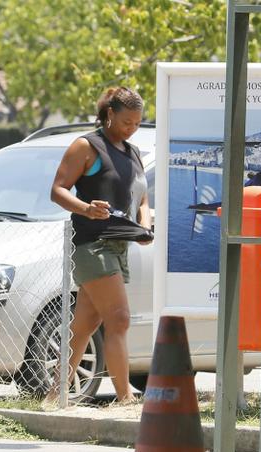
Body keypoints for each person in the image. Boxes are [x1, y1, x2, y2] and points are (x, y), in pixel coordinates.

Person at [49, 86, 151, 404]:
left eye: (137, 123)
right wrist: (86, 209)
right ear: (109, 114)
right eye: (126, 122)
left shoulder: (132, 152)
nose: (131, 128)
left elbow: (143, 196)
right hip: (93, 245)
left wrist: (144, 226)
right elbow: (58, 190)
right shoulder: (87, 146)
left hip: (120, 246)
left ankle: (55, 396)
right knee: (119, 318)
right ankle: (125, 400)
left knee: (84, 326)